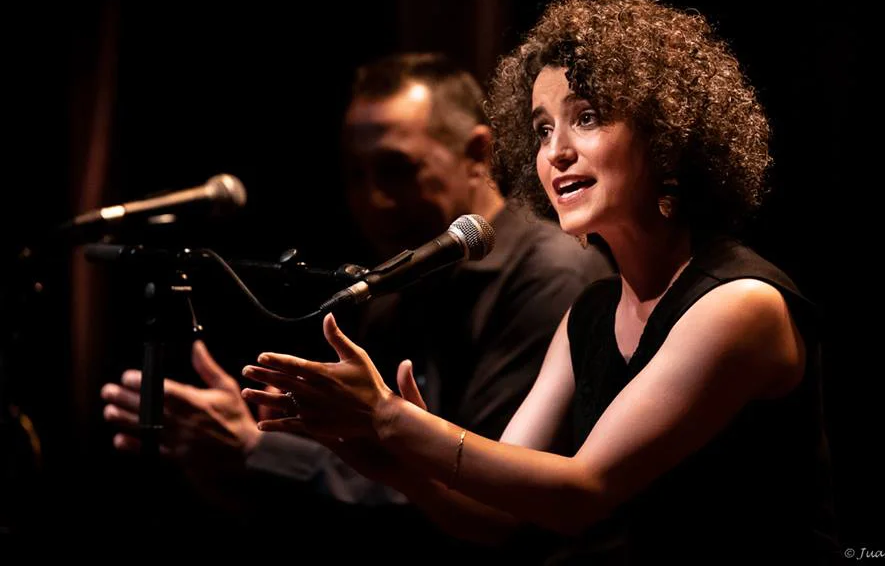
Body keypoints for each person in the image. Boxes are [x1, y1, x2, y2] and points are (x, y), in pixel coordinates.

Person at [240, 0, 838, 564]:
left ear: (666, 136)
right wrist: (391, 459)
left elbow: (582, 492)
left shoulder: (739, 304)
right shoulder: (593, 311)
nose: (555, 152)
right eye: (543, 127)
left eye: (588, 117)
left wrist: (391, 418)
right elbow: (503, 515)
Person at [100, 53, 612, 538]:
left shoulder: (550, 274)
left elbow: (495, 506)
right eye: (355, 175)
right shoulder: (394, 280)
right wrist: (227, 456)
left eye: (395, 169)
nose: (372, 200)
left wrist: (261, 451)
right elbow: (365, 487)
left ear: (478, 153)